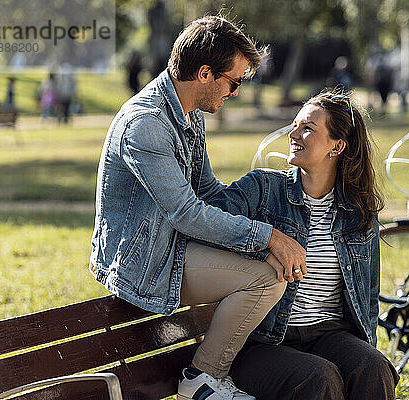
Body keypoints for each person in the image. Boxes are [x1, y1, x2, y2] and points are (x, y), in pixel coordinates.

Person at [89, 16, 306, 400]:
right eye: (234, 81)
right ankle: (203, 378)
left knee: (271, 269)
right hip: (145, 262)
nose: (235, 92)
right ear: (205, 73)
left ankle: (224, 370)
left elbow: (207, 190)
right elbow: (187, 212)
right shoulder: (147, 125)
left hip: (175, 244)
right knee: (266, 278)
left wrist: (261, 211)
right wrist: (267, 236)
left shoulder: (189, 114)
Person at [204, 90, 400, 400]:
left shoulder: (358, 213)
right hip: (263, 342)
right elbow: (207, 220)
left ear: (337, 146)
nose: (293, 134)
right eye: (295, 125)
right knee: (319, 378)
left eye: (307, 128)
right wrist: (262, 243)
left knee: (373, 366)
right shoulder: (263, 188)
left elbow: (368, 297)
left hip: (330, 334)